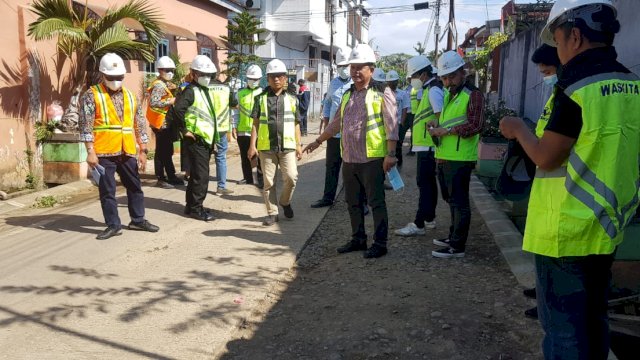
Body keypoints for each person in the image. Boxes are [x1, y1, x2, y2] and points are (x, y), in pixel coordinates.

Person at [500, 1, 640, 358]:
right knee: (595, 319)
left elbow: (547, 156)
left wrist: (518, 129)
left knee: (563, 330)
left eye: (559, 39)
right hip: (607, 225)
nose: (558, 49)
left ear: (575, 36)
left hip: (565, 229)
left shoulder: (575, 87)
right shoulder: (632, 84)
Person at [303, 43, 398, 259]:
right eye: (353, 67)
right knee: (352, 201)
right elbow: (335, 123)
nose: (355, 72)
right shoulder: (348, 94)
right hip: (349, 158)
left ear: (371, 69)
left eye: (360, 67)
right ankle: (358, 239)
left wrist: (390, 155)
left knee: (376, 202)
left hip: (372, 158)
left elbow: (392, 125)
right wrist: (318, 141)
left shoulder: (382, 92)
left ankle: (380, 243)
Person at [79, 53, 159, 240]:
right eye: (112, 77)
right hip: (103, 151)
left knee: (135, 186)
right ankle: (113, 225)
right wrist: (90, 151)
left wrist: (143, 149)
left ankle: (138, 220)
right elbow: (85, 124)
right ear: (103, 75)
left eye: (119, 77)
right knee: (108, 190)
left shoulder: (130, 96)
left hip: (127, 150)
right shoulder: (92, 95)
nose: (116, 80)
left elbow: (139, 123)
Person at [429, 51, 485, 258]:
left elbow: (476, 124)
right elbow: (451, 120)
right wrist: (437, 124)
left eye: (451, 76)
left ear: (462, 72)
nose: (447, 81)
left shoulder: (473, 94)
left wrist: (447, 131)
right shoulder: (449, 94)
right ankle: (453, 236)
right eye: (444, 77)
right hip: (445, 155)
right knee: (451, 199)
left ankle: (457, 246)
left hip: (461, 158)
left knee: (459, 202)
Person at [522, 43, 562, 321]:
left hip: (565, 195)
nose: (544, 77)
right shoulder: (557, 95)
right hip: (549, 192)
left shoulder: (570, 98)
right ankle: (543, 292)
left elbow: (546, 155)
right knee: (546, 253)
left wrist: (519, 131)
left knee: (560, 261)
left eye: (548, 71)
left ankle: (547, 304)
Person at [248, 59, 303, 226]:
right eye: (272, 76)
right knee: (268, 182)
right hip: (266, 147)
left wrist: (299, 145)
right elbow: (256, 124)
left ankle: (285, 202)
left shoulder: (293, 99)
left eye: (279, 76)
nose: (276, 79)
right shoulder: (260, 99)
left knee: (292, 177)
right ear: (268, 78)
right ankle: (272, 212)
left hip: (287, 147)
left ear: (285, 78)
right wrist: (252, 146)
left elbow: (296, 124)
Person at [395, 55, 443, 237]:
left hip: (429, 146)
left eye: (413, 75)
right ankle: (429, 218)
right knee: (428, 184)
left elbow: (440, 116)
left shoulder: (433, 91)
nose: (411, 80)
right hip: (426, 145)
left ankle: (419, 224)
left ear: (423, 74)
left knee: (425, 185)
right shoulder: (430, 88)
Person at [171, 55, 219, 222]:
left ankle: (191, 205)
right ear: (193, 74)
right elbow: (177, 110)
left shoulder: (203, 90)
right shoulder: (190, 91)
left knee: (196, 175)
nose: (207, 78)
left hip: (204, 140)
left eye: (209, 75)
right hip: (196, 140)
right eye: (203, 74)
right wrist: (184, 130)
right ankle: (197, 210)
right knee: (201, 177)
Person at [310, 47, 353, 209]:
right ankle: (328, 198)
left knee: (353, 171)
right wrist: (327, 124)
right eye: (341, 66)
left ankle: (357, 202)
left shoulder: (357, 84)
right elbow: (327, 104)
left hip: (351, 136)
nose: (344, 69)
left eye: (346, 65)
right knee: (331, 168)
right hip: (334, 136)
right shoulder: (333, 83)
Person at [146, 56, 182, 189]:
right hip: (160, 123)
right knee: (162, 151)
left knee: (168, 150)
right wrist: (170, 101)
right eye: (167, 70)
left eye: (171, 70)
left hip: (165, 122)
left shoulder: (164, 84)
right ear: (160, 70)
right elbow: (154, 102)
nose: (170, 73)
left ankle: (171, 175)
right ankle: (161, 178)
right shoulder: (159, 85)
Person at [233, 65, 264, 186]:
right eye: (251, 78)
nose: (254, 81)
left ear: (260, 79)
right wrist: (234, 126)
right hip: (243, 129)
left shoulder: (263, 93)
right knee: (244, 156)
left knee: (260, 156)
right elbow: (235, 112)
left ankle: (260, 179)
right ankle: (248, 177)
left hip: (259, 130)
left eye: (256, 79)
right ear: (247, 78)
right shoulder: (240, 93)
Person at [210, 71, 238, 195]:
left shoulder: (200, 88)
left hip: (204, 128)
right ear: (216, 75)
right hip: (221, 127)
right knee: (221, 156)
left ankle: (200, 186)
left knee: (203, 158)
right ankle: (221, 187)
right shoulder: (226, 88)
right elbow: (234, 104)